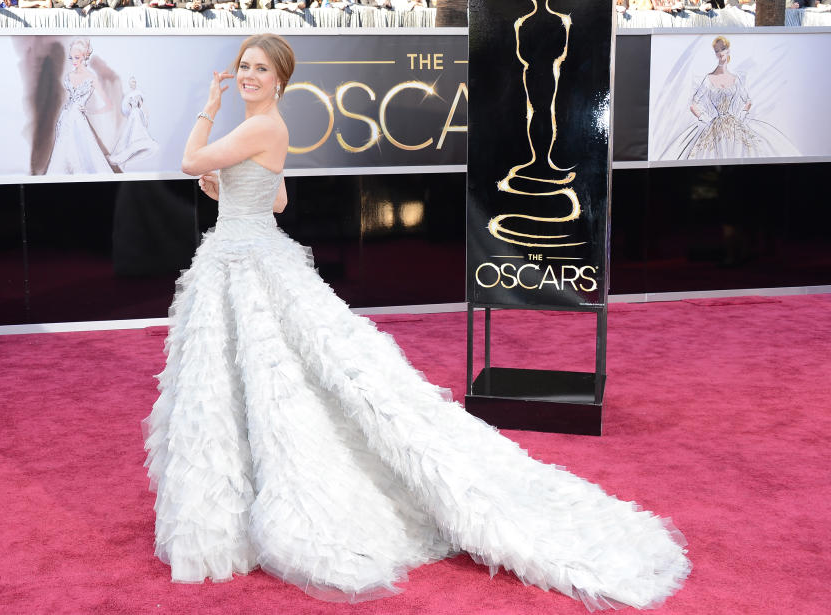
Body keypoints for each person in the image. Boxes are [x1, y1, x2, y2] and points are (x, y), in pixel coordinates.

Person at [142, 33, 691, 609]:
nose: (248, 75)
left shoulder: (257, 125)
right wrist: (226, 184)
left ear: (280, 79)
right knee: (268, 376)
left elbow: (188, 160)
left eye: (258, 69)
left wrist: (208, 106)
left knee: (266, 377)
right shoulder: (266, 129)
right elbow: (275, 201)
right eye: (243, 67)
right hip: (247, 253)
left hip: (245, 261)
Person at [661, 36, 798, 160]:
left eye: (723, 49)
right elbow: (693, 105)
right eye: (717, 50)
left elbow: (748, 101)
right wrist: (706, 119)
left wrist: (742, 115)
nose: (720, 53)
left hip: (734, 124)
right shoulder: (708, 79)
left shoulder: (736, 79)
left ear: (728, 50)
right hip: (713, 126)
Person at [45, 39, 115, 175]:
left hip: (78, 120)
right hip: (65, 119)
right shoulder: (69, 76)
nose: (74, 61)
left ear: (84, 56)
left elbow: (108, 104)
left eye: (77, 57)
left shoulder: (91, 78)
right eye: (72, 58)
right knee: (62, 153)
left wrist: (90, 111)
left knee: (83, 153)